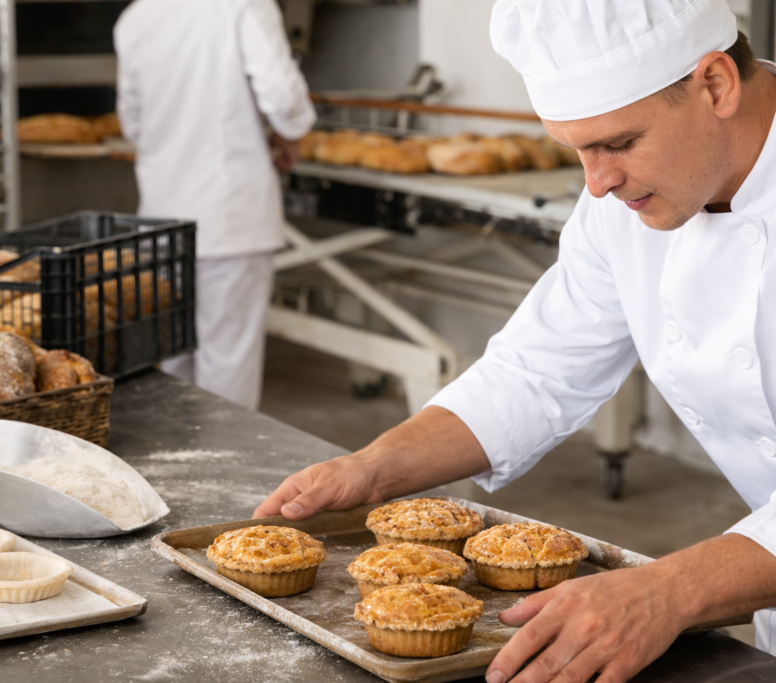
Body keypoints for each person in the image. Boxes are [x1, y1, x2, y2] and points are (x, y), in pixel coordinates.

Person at [254, 1, 776, 681]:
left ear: (715, 85)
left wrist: (670, 591)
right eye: (577, 150)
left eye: (619, 144)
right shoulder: (622, 202)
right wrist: (374, 468)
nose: (597, 184)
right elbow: (537, 370)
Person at [114, 0, 315, 410]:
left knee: (174, 359)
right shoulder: (244, 5)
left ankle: (179, 449)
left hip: (161, 222)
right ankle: (225, 452)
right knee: (227, 364)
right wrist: (289, 133)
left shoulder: (136, 18)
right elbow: (283, 96)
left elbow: (132, 124)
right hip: (228, 218)